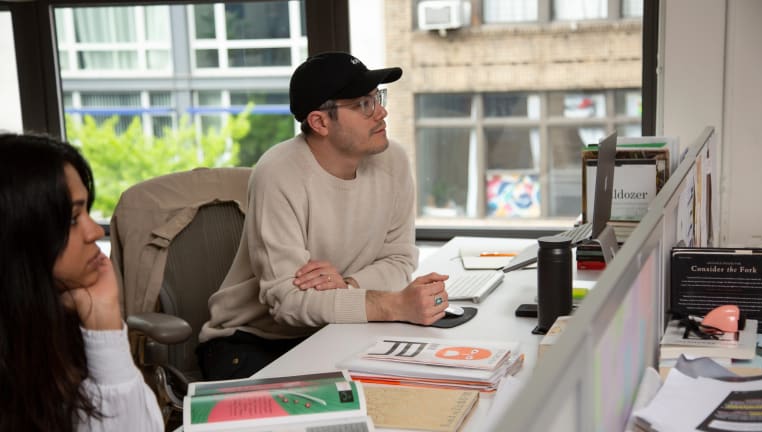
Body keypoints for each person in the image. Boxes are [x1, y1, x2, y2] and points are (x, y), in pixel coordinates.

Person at [198, 51, 450, 380]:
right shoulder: (278, 173)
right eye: (363, 104)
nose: (382, 112)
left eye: (378, 98)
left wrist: (346, 286)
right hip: (254, 342)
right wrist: (392, 305)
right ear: (320, 122)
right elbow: (288, 303)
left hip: (335, 329)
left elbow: (400, 260)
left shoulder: (393, 161)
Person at [0, 133, 163, 432]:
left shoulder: (55, 318)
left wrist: (104, 319)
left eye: (86, 211)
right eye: (73, 218)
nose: (94, 232)